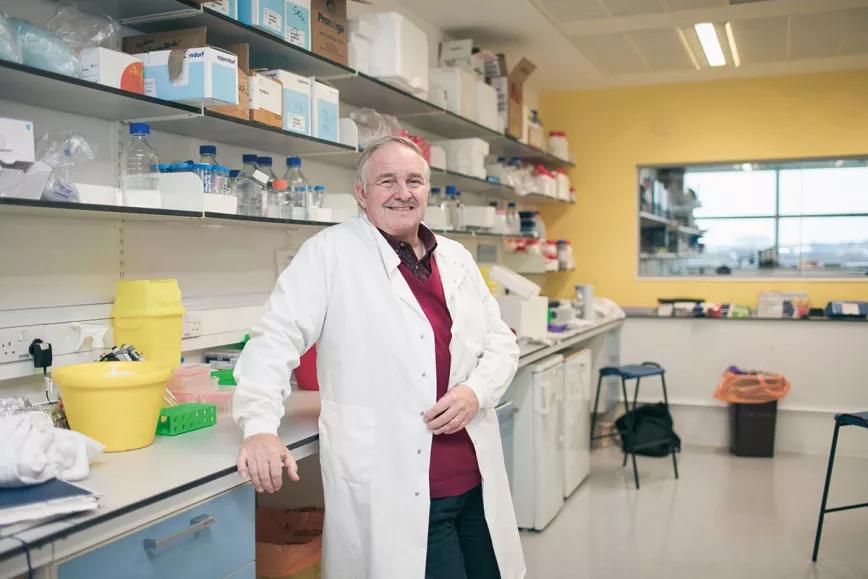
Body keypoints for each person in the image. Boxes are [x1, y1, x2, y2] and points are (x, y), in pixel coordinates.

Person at [232, 135, 525, 579]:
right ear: (362, 193)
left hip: (473, 477)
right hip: (398, 485)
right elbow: (275, 339)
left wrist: (474, 391)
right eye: (387, 180)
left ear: (427, 191)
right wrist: (258, 427)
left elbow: (501, 341)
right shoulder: (330, 253)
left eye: (414, 181)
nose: (402, 192)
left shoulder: (457, 258)